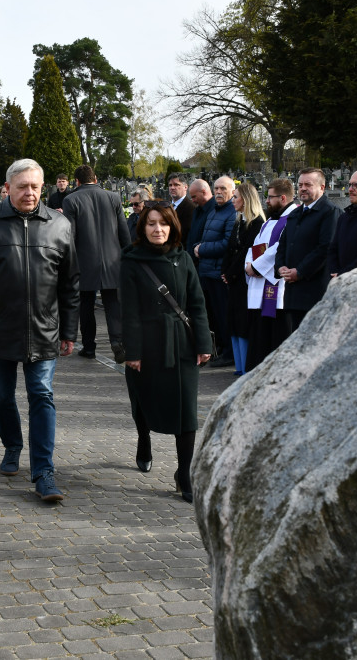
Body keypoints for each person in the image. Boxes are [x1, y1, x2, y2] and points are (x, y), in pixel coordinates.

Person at [0, 158, 80, 502]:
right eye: (23, 186)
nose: (30, 193)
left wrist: (69, 330)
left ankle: (44, 472)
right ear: (7, 188)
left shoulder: (60, 225)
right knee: (0, 396)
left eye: (36, 186)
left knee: (41, 394)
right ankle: (12, 445)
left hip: (44, 329)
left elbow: (70, 284)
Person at [119, 204, 212, 503]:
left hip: (181, 344)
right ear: (142, 228)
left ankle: (184, 473)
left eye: (163, 224)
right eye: (151, 224)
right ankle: (144, 441)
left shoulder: (183, 258)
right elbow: (128, 311)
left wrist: (203, 344)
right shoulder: (131, 261)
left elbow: (196, 304)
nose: (158, 229)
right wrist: (132, 351)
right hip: (145, 345)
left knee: (186, 410)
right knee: (143, 402)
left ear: (172, 227)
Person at [61, 165, 131, 363]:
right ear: (96, 178)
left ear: (77, 181)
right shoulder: (113, 198)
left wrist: (67, 263)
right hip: (112, 260)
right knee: (112, 303)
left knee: (86, 305)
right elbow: (123, 233)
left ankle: (89, 347)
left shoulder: (71, 199)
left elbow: (70, 236)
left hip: (84, 261)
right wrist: (127, 256)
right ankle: (117, 342)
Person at [275, 168, 342, 334]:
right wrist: (280, 266)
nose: (302, 188)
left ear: (322, 187)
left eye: (308, 184)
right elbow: (283, 244)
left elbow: (325, 248)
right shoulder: (295, 213)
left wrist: (300, 271)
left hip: (315, 291)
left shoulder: (330, 213)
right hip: (293, 292)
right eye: (300, 184)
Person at [245, 178, 300, 371]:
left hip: (277, 287)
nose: (266, 201)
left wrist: (257, 267)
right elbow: (255, 246)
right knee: (260, 336)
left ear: (283, 198)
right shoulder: (270, 221)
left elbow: (279, 248)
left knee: (275, 336)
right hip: (259, 284)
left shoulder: (293, 218)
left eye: (270, 197)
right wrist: (248, 265)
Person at [191, 176, 237, 367]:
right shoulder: (213, 212)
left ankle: (229, 353)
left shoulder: (231, 212)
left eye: (223, 189)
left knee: (223, 315)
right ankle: (218, 349)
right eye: (216, 188)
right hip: (206, 271)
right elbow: (204, 237)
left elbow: (227, 243)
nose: (218, 192)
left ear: (232, 192)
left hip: (219, 273)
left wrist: (201, 249)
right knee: (212, 316)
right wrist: (197, 246)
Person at [221, 182, 265, 376]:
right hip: (233, 279)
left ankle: (246, 367)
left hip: (245, 280)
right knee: (234, 322)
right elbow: (230, 248)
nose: (232, 200)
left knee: (243, 323)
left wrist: (231, 273)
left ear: (246, 199)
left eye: (236, 197)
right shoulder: (239, 221)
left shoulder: (257, 224)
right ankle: (239, 367)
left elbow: (247, 252)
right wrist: (224, 270)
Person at [166, 173, 196, 247]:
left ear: (185, 187)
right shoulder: (166, 205)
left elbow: (186, 234)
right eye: (170, 185)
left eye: (176, 185)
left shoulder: (191, 208)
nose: (172, 187)